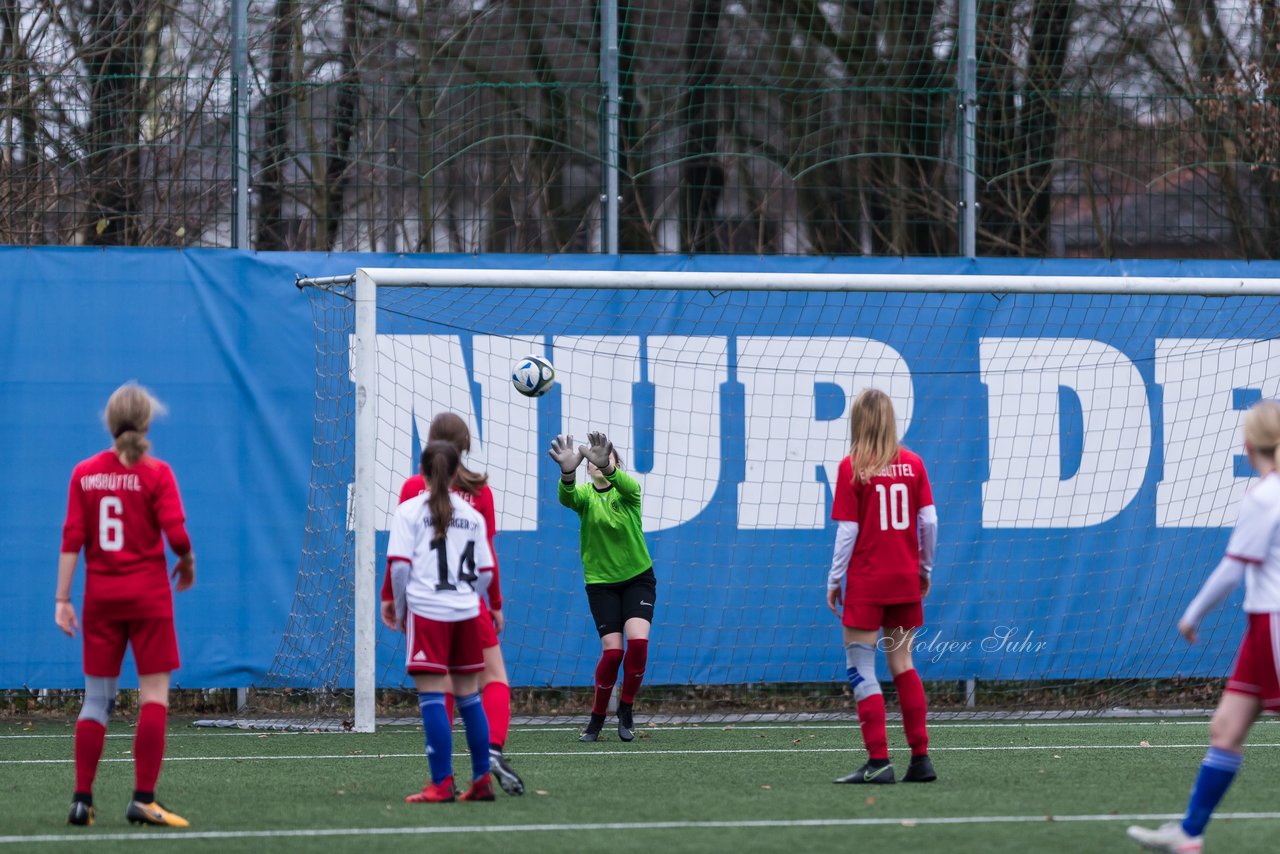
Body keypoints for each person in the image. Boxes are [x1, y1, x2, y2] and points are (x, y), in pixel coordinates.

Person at [1127, 400, 1280, 853]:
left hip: (1273, 621)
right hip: (1261, 624)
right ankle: (1190, 833)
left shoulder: (1265, 496)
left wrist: (1191, 615)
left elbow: (1233, 570)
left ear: (1248, 444)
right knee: (1226, 729)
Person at [56, 383, 195, 827]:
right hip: (149, 598)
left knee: (96, 699)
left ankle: (82, 799)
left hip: (101, 599)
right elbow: (176, 535)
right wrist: (187, 562)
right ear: (147, 422)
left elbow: (72, 540)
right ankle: (143, 798)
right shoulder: (157, 473)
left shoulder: (84, 473)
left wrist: (62, 598)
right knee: (154, 696)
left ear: (110, 423)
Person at [391, 412, 524, 795]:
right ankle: (489, 757)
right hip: (469, 604)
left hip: (427, 604)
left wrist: (394, 603)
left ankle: (442, 780)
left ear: (429, 452)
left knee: (437, 688)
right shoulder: (479, 493)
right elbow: (487, 561)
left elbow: (400, 561)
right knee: (489, 680)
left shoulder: (412, 491)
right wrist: (493, 602)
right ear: (463, 447)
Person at [827, 388, 937, 785]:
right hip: (905, 580)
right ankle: (920, 760)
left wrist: (834, 579)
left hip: (868, 584)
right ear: (891, 420)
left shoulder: (852, 466)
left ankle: (878, 762)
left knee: (860, 668)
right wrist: (923, 568)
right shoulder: (914, 463)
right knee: (903, 664)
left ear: (858, 422)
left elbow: (848, 532)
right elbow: (929, 523)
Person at [382, 440, 496, 804]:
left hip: (428, 612)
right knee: (469, 697)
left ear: (423, 472)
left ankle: (442, 784)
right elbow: (488, 573)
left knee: (433, 696)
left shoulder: (409, 511)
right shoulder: (473, 514)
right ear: (457, 469)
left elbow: (399, 567)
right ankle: (482, 779)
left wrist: (401, 610)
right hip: (464, 612)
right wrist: (467, 596)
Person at [549, 431, 655, 743]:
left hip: (638, 579)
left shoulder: (627, 493)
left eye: (604, 456)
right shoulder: (584, 496)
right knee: (613, 653)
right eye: (591, 460)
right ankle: (596, 718)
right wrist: (567, 472)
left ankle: (626, 709)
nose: (595, 461)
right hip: (601, 585)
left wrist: (609, 469)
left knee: (637, 645)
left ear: (615, 463)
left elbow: (628, 484)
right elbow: (566, 497)